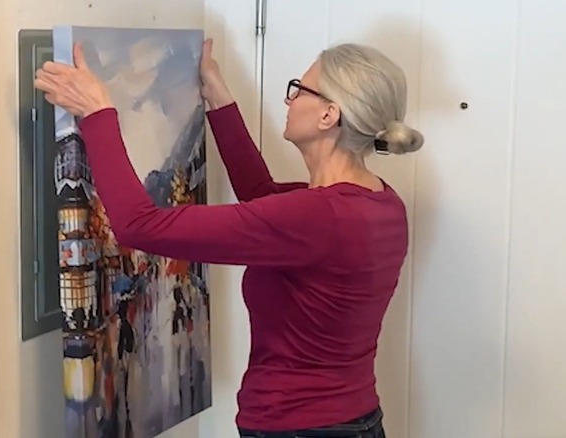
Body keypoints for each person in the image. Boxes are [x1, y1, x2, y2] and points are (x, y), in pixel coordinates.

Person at [35, 38, 424, 438]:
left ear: (329, 114)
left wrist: (98, 113)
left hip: (300, 428)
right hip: (353, 421)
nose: (289, 100)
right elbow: (262, 198)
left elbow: (139, 226)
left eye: (300, 89)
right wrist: (218, 98)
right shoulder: (379, 202)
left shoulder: (316, 216)